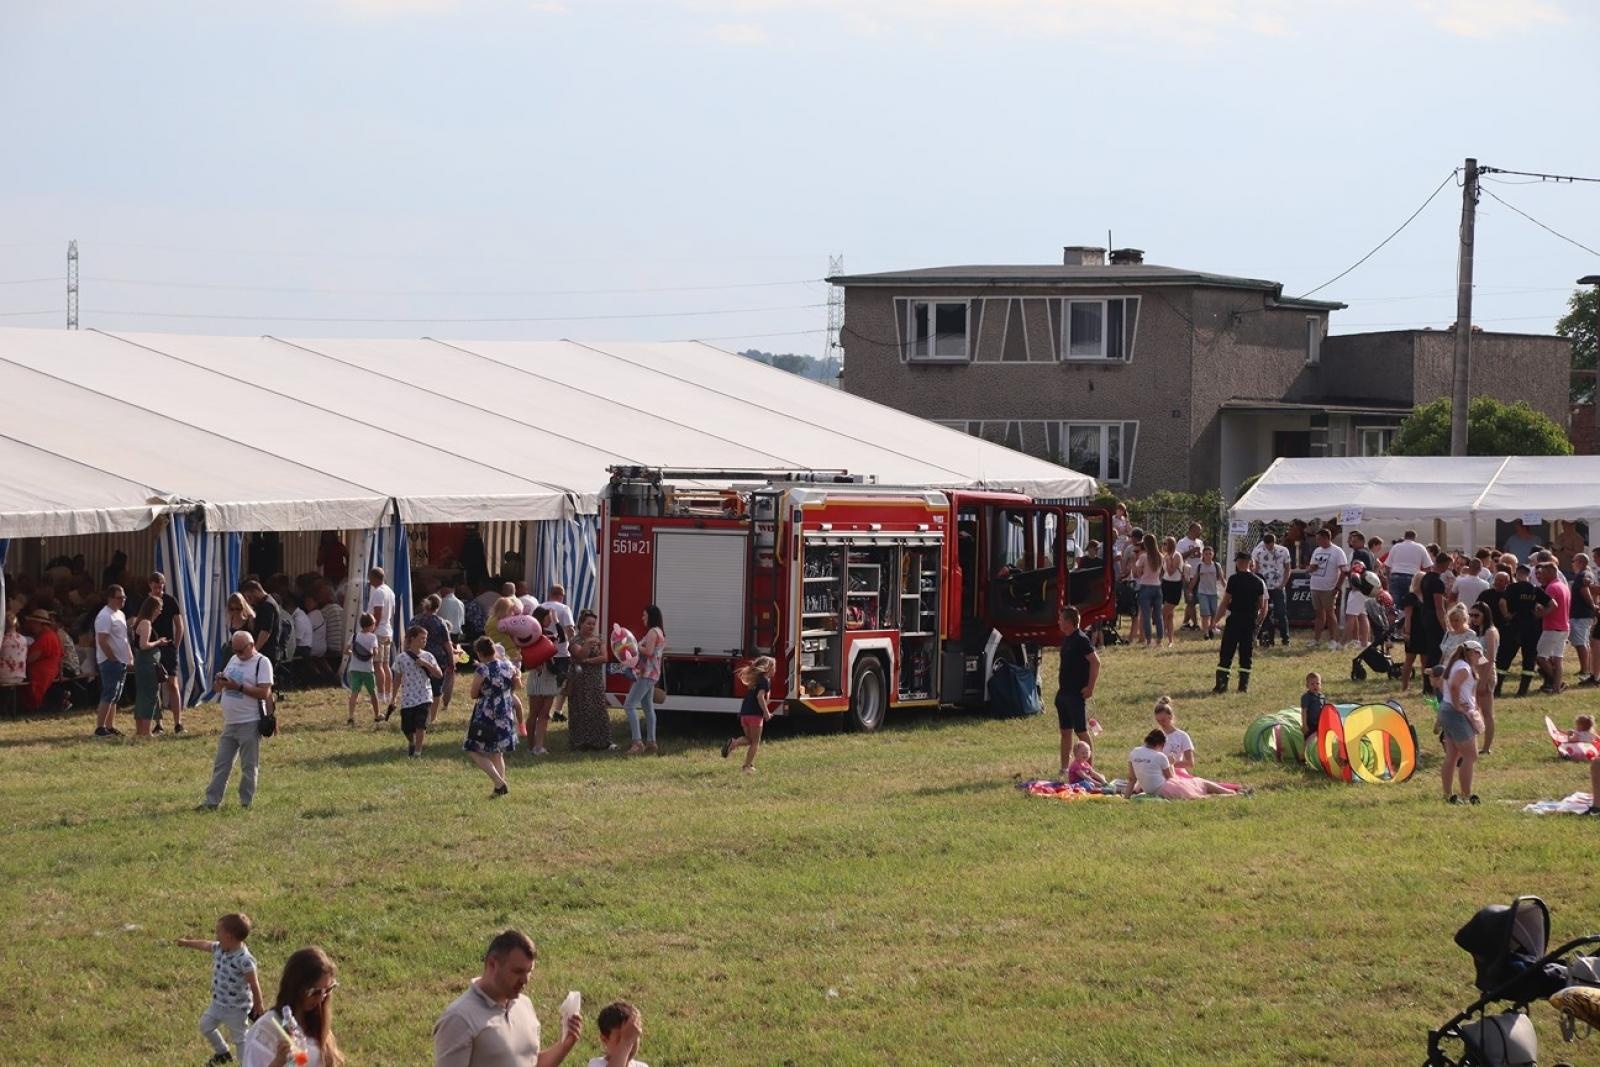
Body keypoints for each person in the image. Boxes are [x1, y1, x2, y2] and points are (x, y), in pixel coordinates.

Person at [433, 929, 583, 1067]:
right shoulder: (459, 1018)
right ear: (492, 964)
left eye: (529, 971)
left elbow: (532, 1063)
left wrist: (565, 1045)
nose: (525, 980)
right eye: (517, 971)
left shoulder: (524, 1005)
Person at [176, 912, 264, 1067]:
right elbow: (204, 944)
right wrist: (186, 943)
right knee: (205, 1025)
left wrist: (258, 1004)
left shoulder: (244, 960)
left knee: (240, 1039)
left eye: (219, 932)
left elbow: (254, 984)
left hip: (237, 1009)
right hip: (218, 1003)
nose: (216, 936)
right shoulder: (219, 948)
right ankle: (222, 1052)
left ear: (229, 937)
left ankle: (247, 1063)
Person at [202, 632, 274, 810]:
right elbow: (219, 688)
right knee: (221, 764)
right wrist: (220, 682)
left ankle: (245, 803)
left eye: (241, 650)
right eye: (235, 650)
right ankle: (211, 802)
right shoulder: (234, 659)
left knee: (249, 766)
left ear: (251, 645)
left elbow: (264, 693)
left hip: (249, 722)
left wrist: (238, 686)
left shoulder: (262, 662)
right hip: (230, 722)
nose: (238, 654)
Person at [240, 946, 345, 1067]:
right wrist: (278, 1062)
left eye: (328, 990)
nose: (321, 998)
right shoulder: (266, 1030)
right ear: (296, 987)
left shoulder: (316, 1020)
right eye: (315, 992)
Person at [465, 636, 521, 797]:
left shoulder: (482, 670)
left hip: (487, 712)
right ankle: (499, 789)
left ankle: (499, 781)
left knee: (473, 748)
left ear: (480, 653)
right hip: (505, 711)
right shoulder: (508, 666)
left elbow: (473, 694)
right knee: (497, 752)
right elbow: (516, 686)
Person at [1437, 641, 1487, 805]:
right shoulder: (1464, 668)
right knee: (1471, 755)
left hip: (1447, 711)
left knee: (1453, 754)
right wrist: (1459, 706)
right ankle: (1466, 794)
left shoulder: (1457, 665)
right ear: (1472, 652)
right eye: (1479, 654)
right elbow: (1454, 686)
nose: (1480, 659)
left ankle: (1447, 794)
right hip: (1455, 714)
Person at [1052, 605, 1099, 776]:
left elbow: (1095, 662)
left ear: (1069, 622)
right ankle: (1064, 768)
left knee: (1081, 731)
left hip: (1076, 694)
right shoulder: (1067, 639)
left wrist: (1090, 687)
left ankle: (1089, 768)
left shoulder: (1081, 639)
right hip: (1063, 692)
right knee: (1065, 732)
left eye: (1061, 619)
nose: (1058, 621)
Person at [1123, 728, 1235, 800]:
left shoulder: (1134, 752)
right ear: (1160, 744)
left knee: (1198, 789)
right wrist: (1171, 763)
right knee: (1200, 784)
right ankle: (1229, 793)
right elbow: (1171, 778)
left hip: (1149, 789)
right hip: (1165, 789)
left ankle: (1228, 793)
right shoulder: (1159, 756)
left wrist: (1126, 799)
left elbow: (1132, 779)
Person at [1214, 552, 1267, 695]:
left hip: (1235, 619)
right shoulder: (1258, 581)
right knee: (1246, 654)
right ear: (1250, 562)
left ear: (1238, 562)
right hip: (1249, 621)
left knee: (1227, 652)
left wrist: (1215, 621)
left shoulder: (1233, 579)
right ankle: (1243, 687)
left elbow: (1225, 602)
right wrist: (1257, 623)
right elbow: (1261, 605)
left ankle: (1221, 685)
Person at [566, 611, 613, 751]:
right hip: (579, 680)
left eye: (593, 624)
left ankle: (602, 742)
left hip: (595, 679)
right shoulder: (574, 641)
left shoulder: (599, 639)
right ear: (581, 624)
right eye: (588, 623)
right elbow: (580, 654)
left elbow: (604, 658)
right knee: (579, 709)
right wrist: (587, 644)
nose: (591, 626)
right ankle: (580, 742)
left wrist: (588, 661)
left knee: (598, 709)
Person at [1496, 563, 1546, 697]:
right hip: (1532, 628)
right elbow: (1553, 604)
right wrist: (1540, 614)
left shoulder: (1512, 588)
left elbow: (1502, 602)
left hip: (1514, 627)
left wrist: (1507, 615)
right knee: (1529, 658)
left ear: (1516, 574)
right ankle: (1522, 691)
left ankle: (1497, 689)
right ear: (1529, 575)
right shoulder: (1535, 588)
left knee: (1505, 658)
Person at [146, 572, 187, 734]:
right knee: (155, 685)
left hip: (168, 646)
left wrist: (175, 645)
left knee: (172, 683)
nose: (158, 590)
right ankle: (158, 722)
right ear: (150, 585)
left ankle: (178, 722)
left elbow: (179, 625)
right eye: (155, 587)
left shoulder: (170, 601)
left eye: (161, 587)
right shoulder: (147, 602)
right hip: (153, 646)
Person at [395, 624, 444, 758]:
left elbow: (439, 674)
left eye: (425, 638)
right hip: (408, 697)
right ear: (412, 639)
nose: (424, 641)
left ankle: (417, 752)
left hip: (424, 695)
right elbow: (397, 678)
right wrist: (393, 697)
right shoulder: (401, 658)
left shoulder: (428, 656)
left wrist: (426, 664)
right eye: (422, 638)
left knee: (420, 725)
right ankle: (413, 742)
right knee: (406, 727)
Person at [623, 606, 665, 756]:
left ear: (651, 616)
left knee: (629, 705)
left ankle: (637, 742)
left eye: (644, 615)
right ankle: (651, 742)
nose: (642, 618)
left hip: (646, 674)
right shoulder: (659, 631)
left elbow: (649, 652)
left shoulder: (652, 632)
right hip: (652, 674)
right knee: (648, 707)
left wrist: (635, 646)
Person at [722, 655, 776, 773]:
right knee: (756, 742)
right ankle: (747, 766)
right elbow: (759, 697)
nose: (775, 670)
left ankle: (733, 743)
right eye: (773, 667)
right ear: (767, 668)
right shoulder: (764, 681)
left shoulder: (755, 680)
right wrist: (766, 712)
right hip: (755, 715)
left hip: (745, 713)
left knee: (749, 739)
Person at [93, 584, 132, 737]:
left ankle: (110, 725)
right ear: (110, 598)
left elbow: (124, 638)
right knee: (109, 693)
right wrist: (112, 658)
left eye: (124, 597)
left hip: (121, 660)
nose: (123, 600)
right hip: (110, 661)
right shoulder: (104, 616)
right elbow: (102, 640)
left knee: (115, 695)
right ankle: (100, 727)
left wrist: (129, 657)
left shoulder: (120, 614)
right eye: (119, 597)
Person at [131, 594, 170, 738]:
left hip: (142, 664)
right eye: (159, 608)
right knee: (150, 696)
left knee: (141, 696)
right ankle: (146, 732)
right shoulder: (146, 623)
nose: (160, 611)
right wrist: (158, 642)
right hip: (148, 663)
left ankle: (139, 731)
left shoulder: (138, 621)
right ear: (153, 608)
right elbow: (144, 645)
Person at [524, 605, 560, 756]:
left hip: (550, 674)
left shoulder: (551, 634)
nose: (550, 620)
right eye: (548, 617)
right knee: (534, 712)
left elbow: (562, 640)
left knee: (545, 713)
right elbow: (526, 656)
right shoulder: (530, 635)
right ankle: (530, 744)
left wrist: (557, 622)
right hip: (538, 674)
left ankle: (540, 745)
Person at [417, 595, 457, 729]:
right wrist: (452, 662)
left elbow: (407, 638)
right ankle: (432, 717)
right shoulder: (440, 622)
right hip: (437, 658)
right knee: (436, 688)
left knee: (419, 685)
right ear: (438, 607)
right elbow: (447, 644)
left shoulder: (416, 620)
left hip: (418, 656)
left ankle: (419, 715)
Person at [1534, 558, 1572, 694]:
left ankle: (1557, 680)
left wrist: (1540, 613)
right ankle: (1557, 687)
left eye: (1542, 574)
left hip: (1552, 627)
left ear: (1551, 573)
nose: (1540, 577)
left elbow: (1551, 606)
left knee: (1540, 656)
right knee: (1558, 658)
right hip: (1564, 626)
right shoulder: (1563, 586)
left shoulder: (1551, 587)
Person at [1307, 528, 1349, 650]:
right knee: (1319, 614)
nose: (1317, 541)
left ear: (1326, 538)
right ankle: (1316, 639)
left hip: (1329, 588)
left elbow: (1344, 571)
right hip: (1315, 586)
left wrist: (1337, 587)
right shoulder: (1317, 550)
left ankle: (1334, 639)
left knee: (1330, 613)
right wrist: (1311, 569)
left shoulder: (1337, 552)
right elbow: (1311, 566)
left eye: (1319, 539)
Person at [1468, 602, 1499, 755]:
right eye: (1471, 615)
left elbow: (1491, 658)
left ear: (1485, 615)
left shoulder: (1490, 632)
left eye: (1476, 615)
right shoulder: (1477, 632)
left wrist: (1483, 680)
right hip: (1476, 673)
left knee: (1487, 712)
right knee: (1475, 710)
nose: (1473, 618)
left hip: (1486, 674)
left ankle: (1486, 747)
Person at [1251, 531, 1292, 648]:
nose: (1269, 547)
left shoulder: (1283, 551)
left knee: (1281, 613)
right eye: (1266, 544)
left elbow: (1288, 568)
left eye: (1271, 544)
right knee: (1265, 613)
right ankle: (1266, 638)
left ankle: (1285, 638)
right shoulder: (1258, 552)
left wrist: (1283, 584)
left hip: (1278, 586)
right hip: (1264, 587)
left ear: (1274, 542)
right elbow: (1256, 569)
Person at [541, 585, 576, 720]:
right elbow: (570, 629)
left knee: (546, 682)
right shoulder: (564, 608)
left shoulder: (540, 607)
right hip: (562, 652)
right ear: (562, 595)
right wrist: (574, 645)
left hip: (544, 651)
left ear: (550, 594)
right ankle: (557, 711)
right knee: (563, 683)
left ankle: (545, 710)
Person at [19, 609, 65, 712]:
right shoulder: (52, 635)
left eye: (33, 624)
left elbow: (31, 659)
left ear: (39, 624)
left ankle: (30, 707)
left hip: (42, 673)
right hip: (51, 671)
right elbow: (61, 655)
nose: (31, 626)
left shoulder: (46, 638)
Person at [364, 568, 397, 705]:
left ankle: (381, 694)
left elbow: (377, 613)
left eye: (370, 577)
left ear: (374, 577)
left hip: (378, 631)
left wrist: (371, 630)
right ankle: (388, 693)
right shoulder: (389, 591)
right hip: (387, 630)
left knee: (378, 665)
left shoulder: (378, 592)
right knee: (385, 664)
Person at [346, 613, 381, 726]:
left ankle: (351, 716)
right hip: (367, 669)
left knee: (354, 693)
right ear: (371, 625)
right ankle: (377, 714)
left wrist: (354, 653)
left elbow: (346, 650)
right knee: (372, 693)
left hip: (354, 668)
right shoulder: (372, 637)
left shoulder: (354, 636)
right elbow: (375, 652)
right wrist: (371, 654)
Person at [589, 1002, 647, 1067]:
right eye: (621, 1038)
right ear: (605, 1039)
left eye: (633, 1037)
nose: (630, 1046)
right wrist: (626, 1042)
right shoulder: (596, 1064)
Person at [1568, 553, 1596, 685]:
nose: (1572, 564)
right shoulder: (1588, 574)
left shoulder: (1582, 575)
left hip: (1581, 614)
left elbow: (1585, 590)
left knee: (1580, 642)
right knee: (1583, 641)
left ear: (1579, 562)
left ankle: (1584, 669)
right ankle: (1587, 667)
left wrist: (1592, 606)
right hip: (1583, 614)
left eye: (1573, 561)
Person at [1132, 533, 1163, 647]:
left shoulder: (1143, 557)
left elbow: (1138, 573)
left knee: (1146, 615)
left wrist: (1134, 563)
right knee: (1158, 615)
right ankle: (1159, 639)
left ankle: (1148, 639)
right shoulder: (1160, 556)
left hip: (1145, 586)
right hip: (1157, 586)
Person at [1385, 530, 1432, 606]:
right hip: (1413, 578)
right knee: (1411, 605)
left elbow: (1387, 566)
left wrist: (1389, 579)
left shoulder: (1396, 547)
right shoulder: (1420, 547)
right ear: (1414, 537)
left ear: (1405, 536)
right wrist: (1424, 582)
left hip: (1396, 577)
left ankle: (1396, 617)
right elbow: (1428, 567)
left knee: (1394, 605)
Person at [1189, 545, 1223, 640]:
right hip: (1202, 592)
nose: (1208, 555)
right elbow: (1195, 579)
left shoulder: (1217, 566)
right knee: (1205, 614)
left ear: (1213, 554)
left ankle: (1212, 628)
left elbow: (1222, 579)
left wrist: (1227, 589)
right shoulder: (1200, 566)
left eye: (1210, 554)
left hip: (1214, 593)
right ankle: (1206, 633)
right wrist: (1190, 590)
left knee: (1213, 613)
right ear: (1203, 555)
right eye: (1206, 554)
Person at [1157, 536, 1184, 647]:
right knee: (1169, 615)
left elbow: (1171, 571)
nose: (1163, 546)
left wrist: (1168, 560)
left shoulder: (1176, 556)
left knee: (1163, 613)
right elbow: (1163, 572)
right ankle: (1170, 640)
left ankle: (1160, 638)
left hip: (1174, 586)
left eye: (1165, 544)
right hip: (1165, 584)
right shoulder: (1166, 556)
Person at [1300, 672, 1325, 741]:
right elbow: (1304, 711)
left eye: (1317, 683)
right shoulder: (1306, 697)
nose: (1315, 686)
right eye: (1312, 684)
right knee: (1309, 740)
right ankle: (1306, 751)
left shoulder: (1322, 697)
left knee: (1319, 740)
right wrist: (1304, 725)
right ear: (1307, 686)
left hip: (1320, 724)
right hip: (1310, 725)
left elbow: (1325, 711)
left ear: (1320, 685)